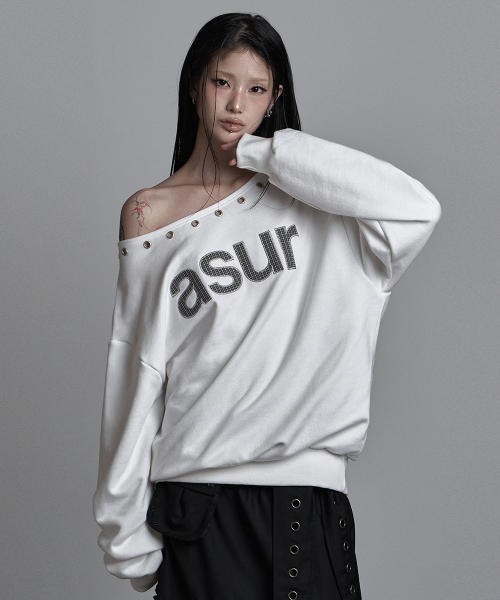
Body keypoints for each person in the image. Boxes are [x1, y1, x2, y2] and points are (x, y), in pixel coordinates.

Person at [93, 12, 441, 600]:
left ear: (276, 98)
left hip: (309, 506)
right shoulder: (150, 215)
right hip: (199, 508)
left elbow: (418, 208)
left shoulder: (328, 208)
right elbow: (137, 369)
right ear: (194, 84)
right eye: (221, 82)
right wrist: (125, 534)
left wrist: (269, 153)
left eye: (256, 89)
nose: (236, 104)